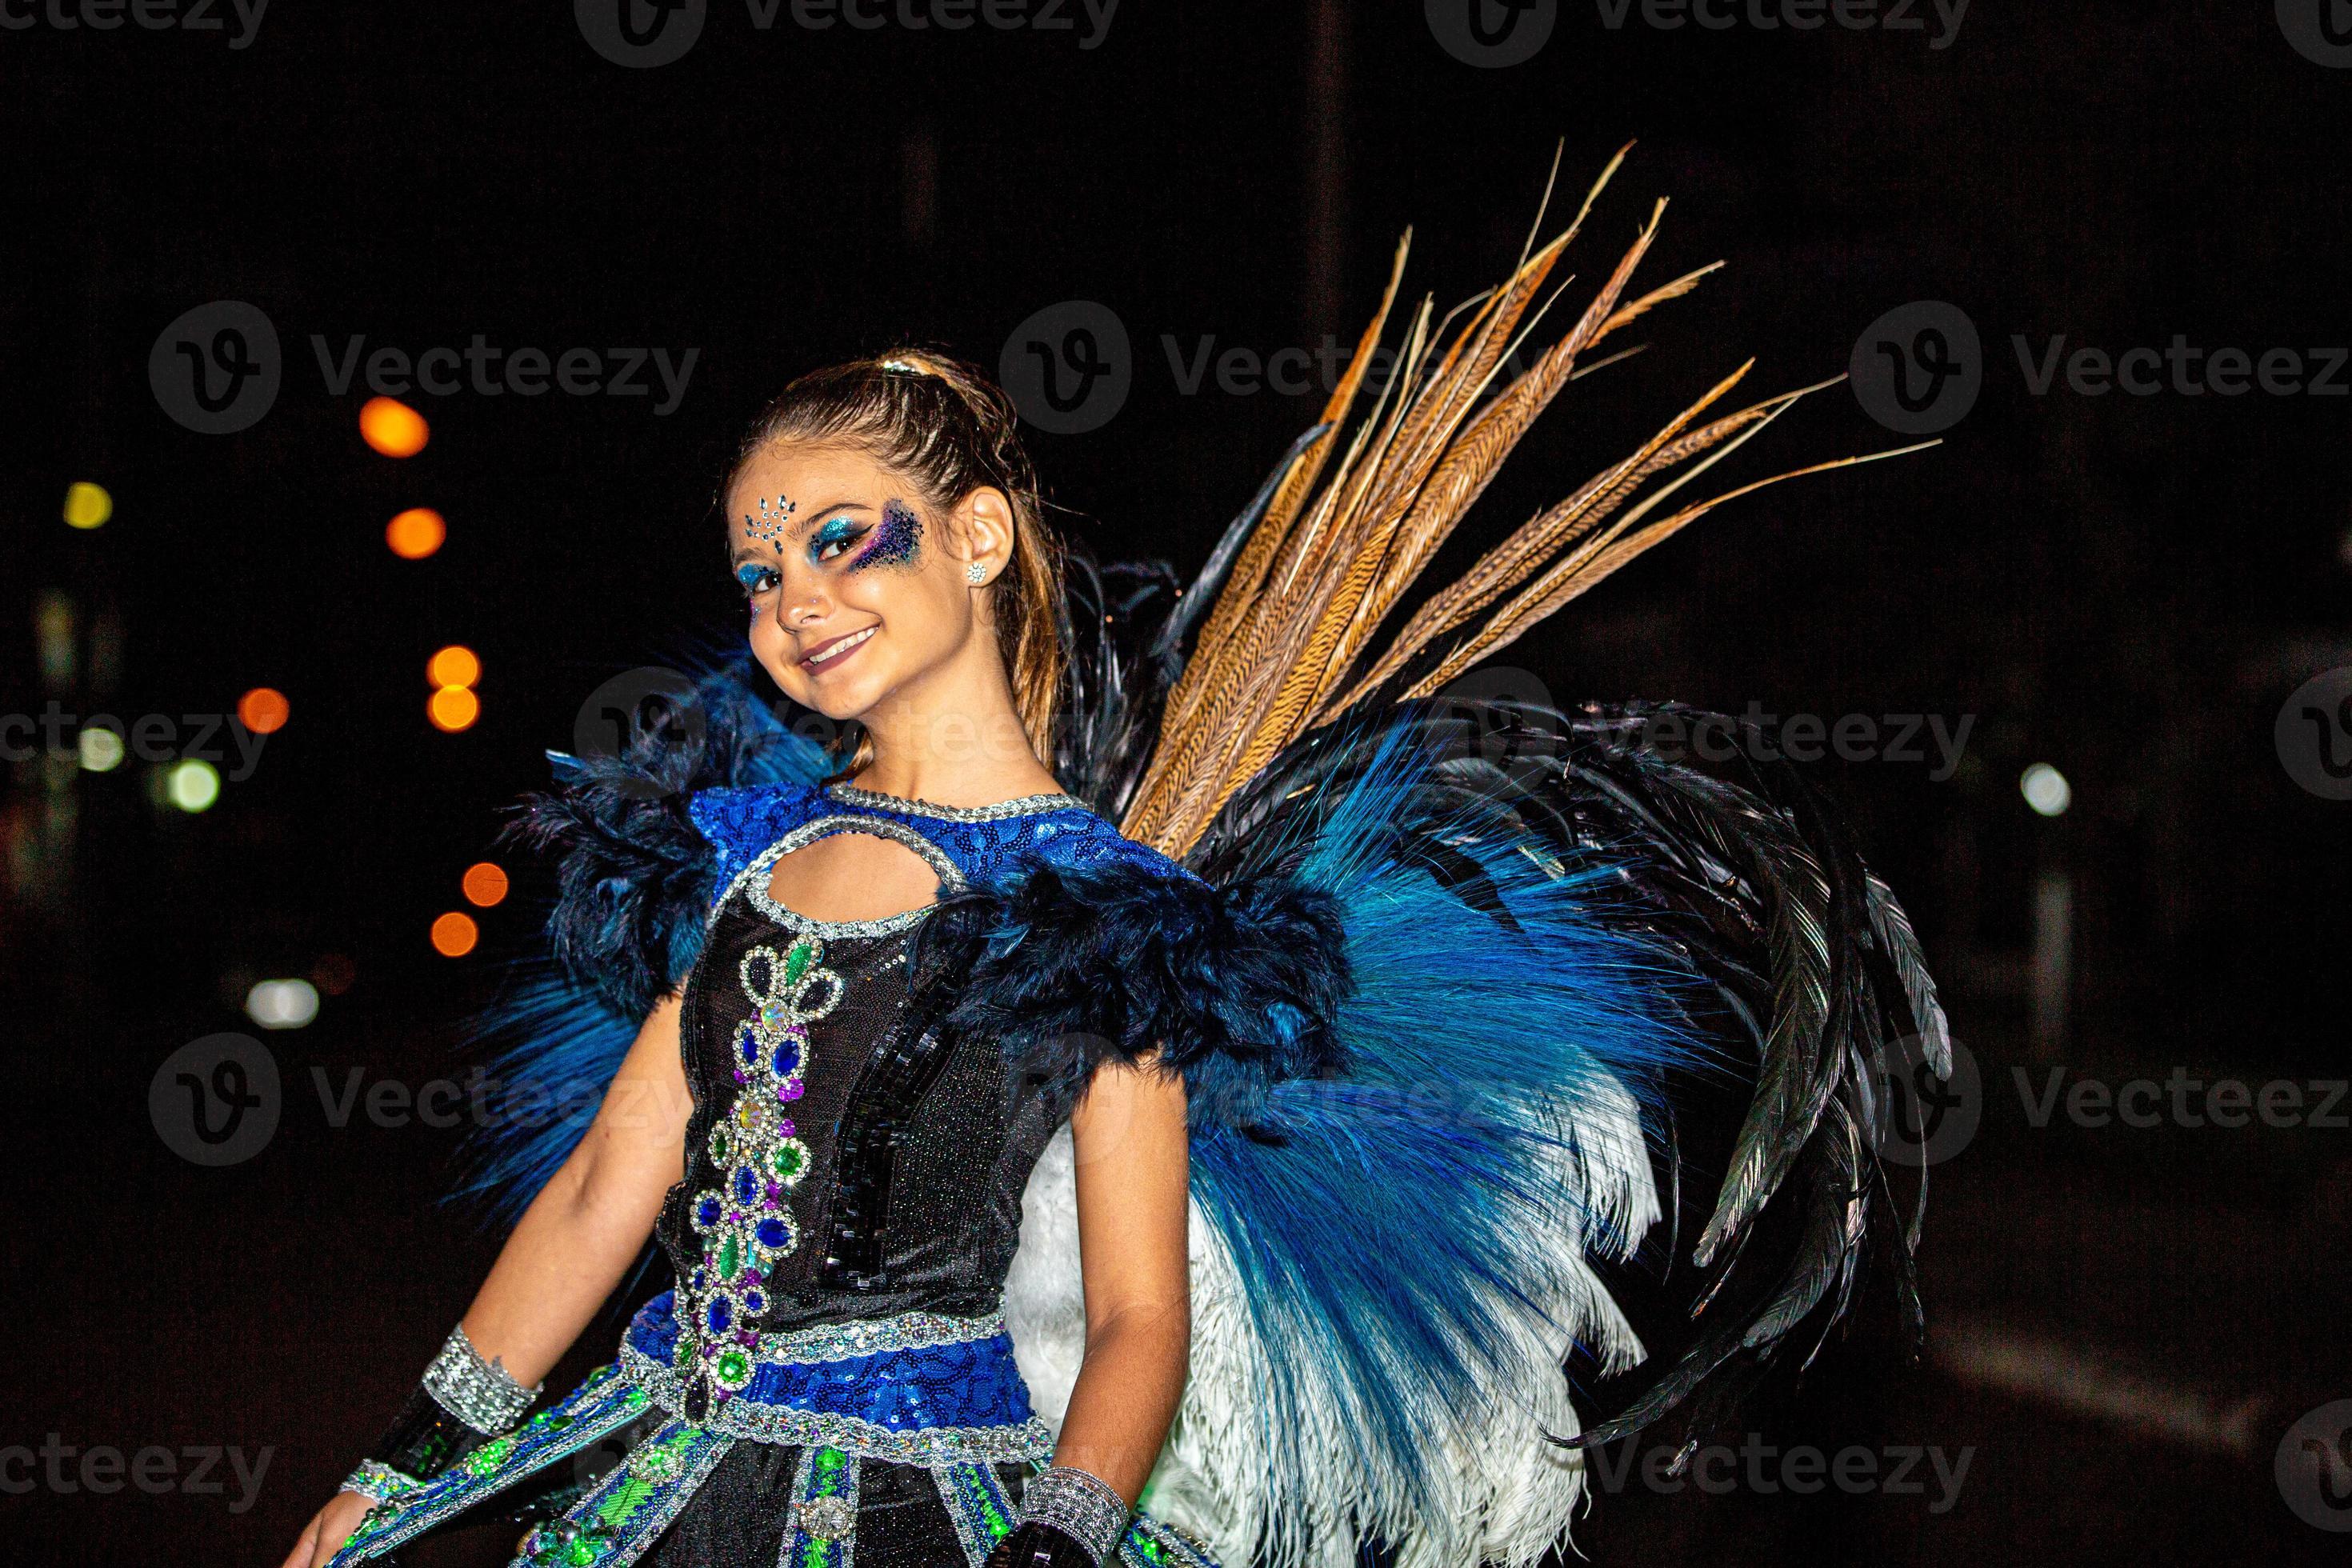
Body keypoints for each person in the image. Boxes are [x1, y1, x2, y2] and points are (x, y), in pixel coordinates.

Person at [285, 155, 1949, 1568]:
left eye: (843, 535)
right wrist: (402, 1458)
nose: (792, 591)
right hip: (650, 1468)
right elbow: (602, 1187)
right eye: (756, 562)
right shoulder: (742, 855)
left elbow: (1139, 1311)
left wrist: (1064, 1532)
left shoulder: (1109, 916)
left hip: (935, 1509)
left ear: (983, 538)